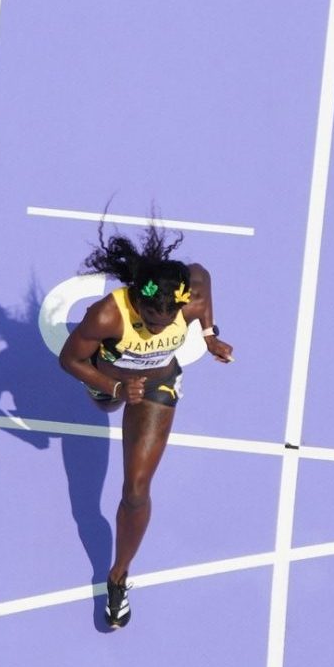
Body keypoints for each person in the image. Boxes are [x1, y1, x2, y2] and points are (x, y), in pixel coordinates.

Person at [57, 222, 233, 628]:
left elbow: (201, 275)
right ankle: (107, 396)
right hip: (113, 378)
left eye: (165, 321)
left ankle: (117, 575)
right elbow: (69, 361)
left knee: (135, 491)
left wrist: (208, 336)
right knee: (101, 404)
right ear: (137, 299)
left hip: (157, 385)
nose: (158, 327)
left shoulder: (189, 299)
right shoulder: (106, 315)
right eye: (151, 319)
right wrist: (115, 386)